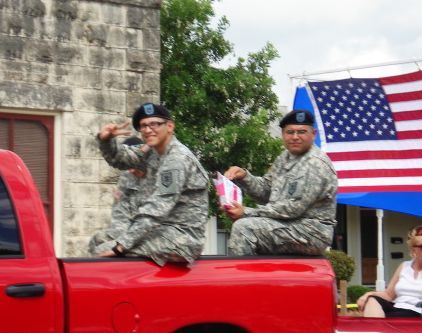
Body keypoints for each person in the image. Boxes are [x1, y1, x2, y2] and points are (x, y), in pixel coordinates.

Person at [95, 102, 210, 266]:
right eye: (143, 126)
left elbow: (157, 207)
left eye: (154, 124)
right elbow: (120, 159)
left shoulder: (177, 158)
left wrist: (121, 246)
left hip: (180, 238)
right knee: (97, 240)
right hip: (159, 232)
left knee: (103, 251)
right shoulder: (151, 152)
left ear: (170, 126)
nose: (148, 130)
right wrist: (105, 140)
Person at [223, 109, 338, 256]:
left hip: (310, 232)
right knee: (249, 226)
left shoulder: (316, 163)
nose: (295, 137)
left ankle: (240, 278)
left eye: (301, 132)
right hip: (289, 226)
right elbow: (266, 191)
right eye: (290, 132)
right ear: (283, 134)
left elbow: (293, 207)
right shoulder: (285, 158)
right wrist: (244, 177)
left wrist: (246, 212)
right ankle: (256, 275)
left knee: (244, 228)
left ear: (313, 134)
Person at [357, 225, 422, 318]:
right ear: (413, 249)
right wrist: (368, 294)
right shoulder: (405, 266)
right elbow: (388, 295)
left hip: (420, 313)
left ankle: (378, 329)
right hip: (398, 308)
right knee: (372, 300)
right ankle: (375, 330)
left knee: (391, 318)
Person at [88, 136, 147, 256]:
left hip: (146, 235)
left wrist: (123, 242)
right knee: (96, 239)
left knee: (101, 251)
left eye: (134, 165)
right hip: (126, 230)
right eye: (128, 166)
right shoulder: (126, 178)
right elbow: (119, 212)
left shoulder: (157, 177)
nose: (130, 171)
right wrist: (121, 235)